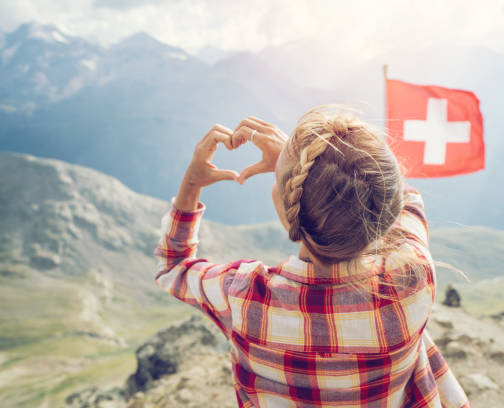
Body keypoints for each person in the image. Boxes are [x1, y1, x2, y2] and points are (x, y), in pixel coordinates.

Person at [154, 105, 470, 407]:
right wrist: (299, 170)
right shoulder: (412, 278)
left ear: (289, 203)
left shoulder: (244, 294)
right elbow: (405, 199)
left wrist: (192, 183)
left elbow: (172, 265)